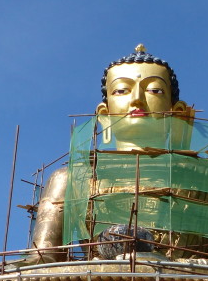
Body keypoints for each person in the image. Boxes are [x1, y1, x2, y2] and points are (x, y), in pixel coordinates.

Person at [25, 45, 192, 262]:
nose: (137, 100)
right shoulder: (72, 178)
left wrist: (178, 264)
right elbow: (43, 257)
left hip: (184, 279)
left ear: (177, 113)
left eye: (154, 90)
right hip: (97, 279)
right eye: (121, 90)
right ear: (104, 115)